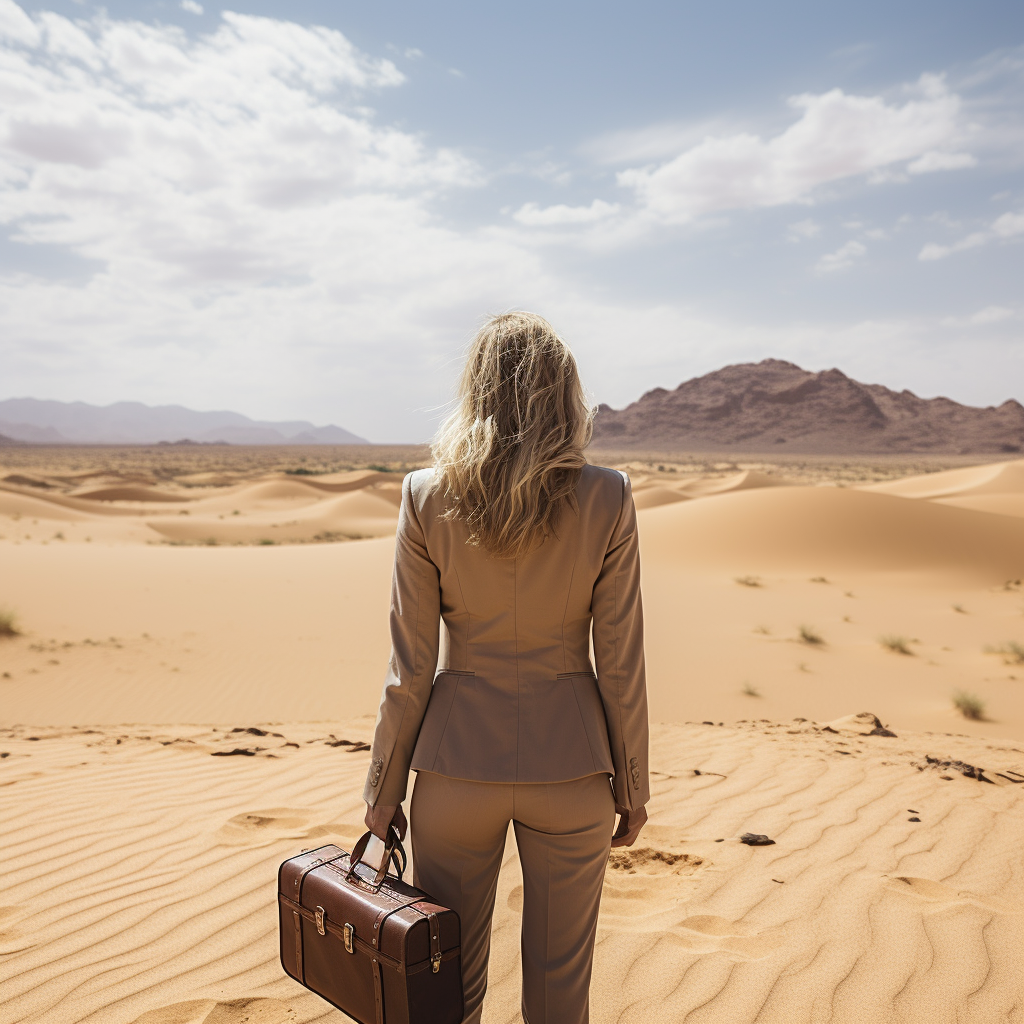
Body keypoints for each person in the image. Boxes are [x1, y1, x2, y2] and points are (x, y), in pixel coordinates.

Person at [363, 311, 649, 1024]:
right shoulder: (607, 495)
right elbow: (620, 662)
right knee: (559, 996)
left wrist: (382, 788)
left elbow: (411, 668)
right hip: (574, 771)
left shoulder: (426, 494)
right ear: (566, 394)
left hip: (456, 770)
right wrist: (634, 784)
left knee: (444, 989)